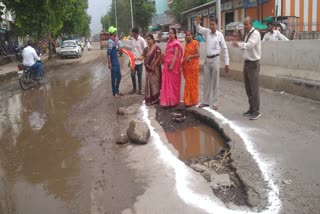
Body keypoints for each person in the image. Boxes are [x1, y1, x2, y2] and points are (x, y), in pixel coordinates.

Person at [196, 16, 230, 110]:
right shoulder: (207, 32)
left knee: (215, 82)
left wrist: (227, 63)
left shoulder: (220, 35)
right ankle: (206, 102)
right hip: (207, 60)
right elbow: (198, 28)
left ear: (216, 25)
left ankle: (215, 103)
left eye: (213, 24)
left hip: (216, 59)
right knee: (206, 82)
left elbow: (225, 48)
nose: (211, 26)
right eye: (210, 24)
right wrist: (198, 21)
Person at [232, 17, 261, 120]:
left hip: (253, 64)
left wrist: (238, 44)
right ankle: (251, 108)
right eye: (244, 24)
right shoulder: (248, 34)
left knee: (254, 88)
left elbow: (249, 45)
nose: (244, 26)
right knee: (248, 88)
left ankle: (256, 111)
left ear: (251, 24)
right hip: (247, 63)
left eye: (246, 24)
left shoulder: (255, 34)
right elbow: (246, 47)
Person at [135, 34, 162, 105]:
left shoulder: (157, 48)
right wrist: (136, 58)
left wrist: (154, 65)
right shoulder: (146, 49)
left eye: (149, 39)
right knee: (149, 83)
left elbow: (159, 57)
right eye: (147, 39)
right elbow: (142, 57)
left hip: (155, 69)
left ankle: (156, 98)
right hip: (148, 69)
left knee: (155, 84)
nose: (148, 41)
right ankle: (151, 99)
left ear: (153, 40)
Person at [159, 28, 183, 107]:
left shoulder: (176, 43)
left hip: (173, 66)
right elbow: (167, 52)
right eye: (169, 33)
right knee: (166, 83)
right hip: (167, 64)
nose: (169, 35)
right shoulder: (168, 42)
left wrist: (172, 64)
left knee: (173, 84)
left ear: (175, 34)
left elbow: (176, 55)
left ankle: (174, 101)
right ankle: (167, 100)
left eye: (171, 33)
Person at [182, 31, 200, 107]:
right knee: (188, 83)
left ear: (192, 35)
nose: (188, 36)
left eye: (189, 35)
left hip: (194, 66)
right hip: (187, 66)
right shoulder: (186, 44)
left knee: (193, 84)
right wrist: (182, 64)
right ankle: (187, 100)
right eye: (187, 35)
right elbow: (184, 55)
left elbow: (198, 54)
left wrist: (190, 57)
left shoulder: (195, 43)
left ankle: (193, 100)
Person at [129, 27, 147, 95]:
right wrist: (129, 61)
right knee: (132, 75)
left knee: (139, 75)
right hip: (133, 62)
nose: (131, 34)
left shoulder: (142, 40)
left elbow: (145, 49)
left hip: (139, 62)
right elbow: (131, 51)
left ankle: (140, 90)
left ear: (135, 33)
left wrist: (142, 57)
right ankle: (134, 89)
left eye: (132, 33)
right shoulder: (132, 40)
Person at [107, 26, 123, 97]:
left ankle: (117, 90)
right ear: (113, 33)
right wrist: (109, 63)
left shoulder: (114, 41)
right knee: (114, 78)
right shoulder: (110, 41)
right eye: (115, 31)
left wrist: (118, 50)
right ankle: (114, 93)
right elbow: (108, 53)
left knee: (119, 77)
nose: (116, 32)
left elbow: (114, 51)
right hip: (113, 63)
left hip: (116, 62)